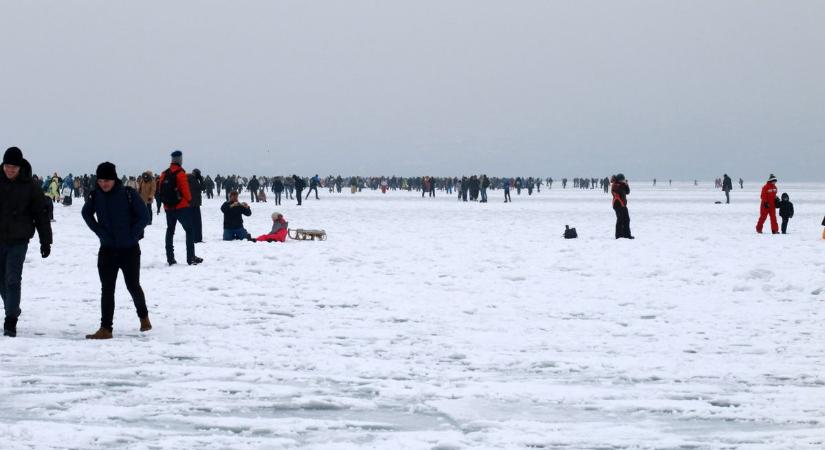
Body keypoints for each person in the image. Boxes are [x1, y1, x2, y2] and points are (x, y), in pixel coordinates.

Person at [81, 162, 151, 340]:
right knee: (107, 289)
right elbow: (86, 213)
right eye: (101, 180)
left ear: (114, 179)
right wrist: (99, 231)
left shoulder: (128, 194)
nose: (104, 183)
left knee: (133, 286)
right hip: (107, 250)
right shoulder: (95, 196)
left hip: (130, 250)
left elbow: (145, 216)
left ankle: (143, 317)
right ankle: (106, 328)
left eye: (108, 180)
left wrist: (132, 235)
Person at [0, 147, 52, 337]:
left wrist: (45, 241)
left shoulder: (30, 186)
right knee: (1, 281)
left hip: (18, 240)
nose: (9, 170)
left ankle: (10, 320)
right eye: (7, 166)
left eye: (13, 167)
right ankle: (12, 307)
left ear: (20, 167)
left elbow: (41, 214)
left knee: (12, 279)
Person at [159, 150, 202, 265]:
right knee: (189, 230)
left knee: (170, 231)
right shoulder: (180, 173)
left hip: (168, 207)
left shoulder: (164, 173)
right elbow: (186, 191)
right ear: (180, 160)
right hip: (181, 207)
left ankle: (170, 258)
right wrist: (188, 200)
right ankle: (190, 257)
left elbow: (160, 191)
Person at [611, 174, 633, 239]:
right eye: (623, 179)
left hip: (623, 204)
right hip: (617, 204)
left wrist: (626, 184)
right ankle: (618, 235)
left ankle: (627, 235)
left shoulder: (622, 185)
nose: (624, 180)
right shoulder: (615, 185)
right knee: (620, 220)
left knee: (627, 219)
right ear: (620, 179)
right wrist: (622, 185)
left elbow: (627, 192)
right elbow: (618, 191)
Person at [188, 169, 204, 243]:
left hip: (192, 203)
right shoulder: (192, 179)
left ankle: (196, 237)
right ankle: (196, 238)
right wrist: (201, 180)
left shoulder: (192, 179)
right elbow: (202, 187)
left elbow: (203, 188)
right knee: (196, 222)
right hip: (193, 204)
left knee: (194, 222)